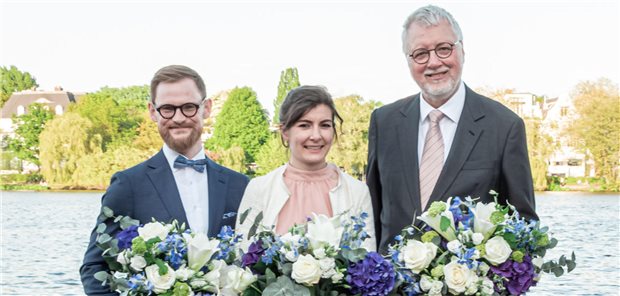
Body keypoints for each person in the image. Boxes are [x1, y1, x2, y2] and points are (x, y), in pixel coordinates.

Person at [366, 5, 538, 252]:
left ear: (462, 50)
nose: (434, 62)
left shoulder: (504, 127)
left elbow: (523, 225)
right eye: (420, 53)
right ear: (408, 60)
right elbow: (373, 214)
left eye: (444, 49)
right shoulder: (384, 122)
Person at [80, 65, 249, 295]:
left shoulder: (240, 186)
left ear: (206, 108)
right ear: (152, 111)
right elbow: (95, 268)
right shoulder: (128, 185)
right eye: (168, 109)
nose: (178, 118)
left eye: (189, 107)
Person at [236, 85, 376, 251]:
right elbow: (242, 257)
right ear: (285, 132)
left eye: (324, 125)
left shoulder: (357, 192)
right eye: (304, 125)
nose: (316, 136)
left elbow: (366, 260)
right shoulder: (259, 189)